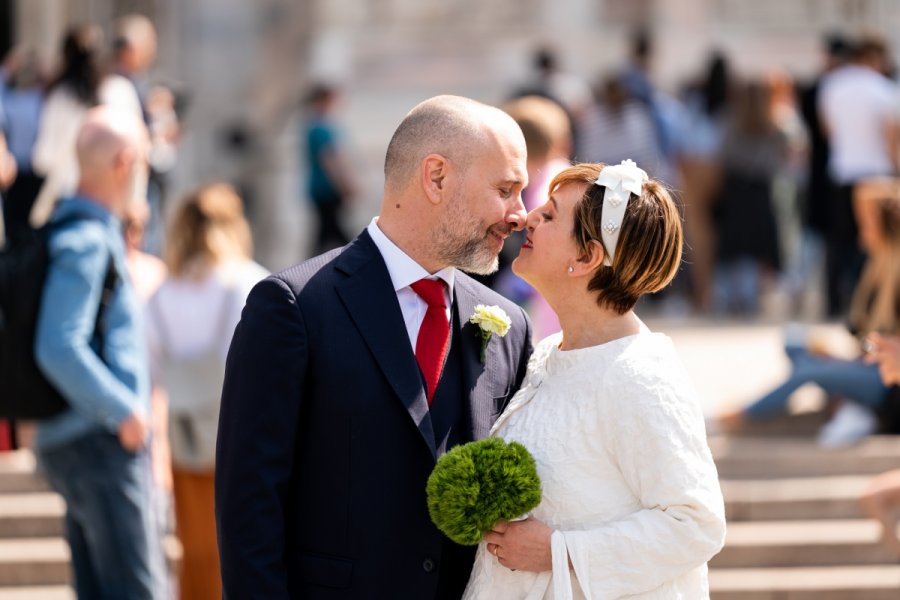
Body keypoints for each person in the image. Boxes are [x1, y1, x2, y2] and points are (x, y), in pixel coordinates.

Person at [216, 95, 534, 599]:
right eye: (505, 189)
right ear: (436, 177)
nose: (520, 214)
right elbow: (249, 508)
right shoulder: (293, 308)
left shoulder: (509, 326)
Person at [465, 160, 725, 598]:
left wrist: (560, 552)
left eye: (549, 215)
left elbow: (695, 524)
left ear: (587, 257)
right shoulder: (548, 355)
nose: (528, 218)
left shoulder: (640, 375)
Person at [32, 106, 165, 599]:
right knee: (138, 591)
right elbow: (58, 344)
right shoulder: (87, 240)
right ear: (125, 162)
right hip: (99, 441)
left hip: (80, 438)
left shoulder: (74, 232)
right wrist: (124, 409)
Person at [145, 183, 266, 600]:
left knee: (193, 547)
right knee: (239, 541)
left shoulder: (162, 292)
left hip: (179, 434)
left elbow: (150, 366)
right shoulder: (247, 281)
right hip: (241, 434)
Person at [720, 178, 900, 445]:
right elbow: (861, 336)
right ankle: (848, 404)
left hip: (886, 381)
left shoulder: (894, 273)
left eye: (867, 221)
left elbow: (885, 348)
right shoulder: (875, 267)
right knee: (795, 341)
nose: (862, 230)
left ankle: (746, 413)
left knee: (809, 371)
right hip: (867, 364)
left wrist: (843, 360)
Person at [30, 24, 143, 228]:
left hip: (68, 200)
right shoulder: (121, 91)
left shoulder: (61, 98)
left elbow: (43, 158)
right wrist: (136, 201)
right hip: (114, 204)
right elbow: (139, 151)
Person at [818, 34, 899, 317]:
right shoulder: (884, 89)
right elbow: (892, 138)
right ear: (874, 56)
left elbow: (829, 131)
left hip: (843, 172)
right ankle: (870, 305)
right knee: (876, 244)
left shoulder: (832, 86)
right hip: (877, 175)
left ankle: (833, 302)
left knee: (838, 243)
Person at [303, 83, 356, 254]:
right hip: (327, 189)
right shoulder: (322, 128)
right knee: (333, 230)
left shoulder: (314, 126)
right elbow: (330, 160)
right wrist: (345, 185)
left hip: (321, 189)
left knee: (326, 232)